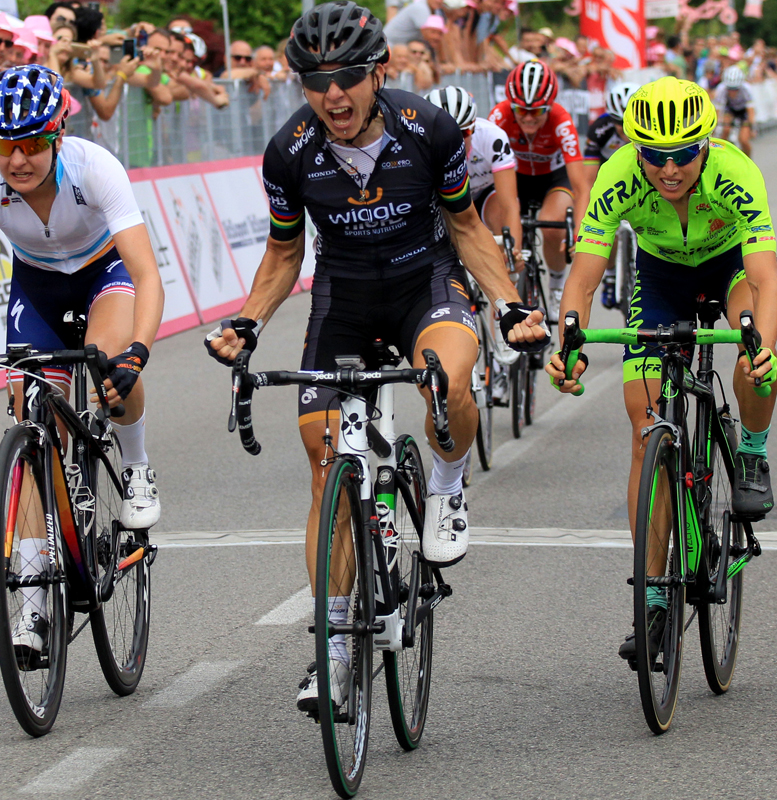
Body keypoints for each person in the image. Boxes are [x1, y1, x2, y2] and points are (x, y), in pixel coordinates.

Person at [203, 2, 547, 712]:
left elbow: (467, 226)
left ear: (378, 72)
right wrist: (247, 322)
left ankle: (448, 484)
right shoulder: (289, 151)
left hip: (426, 280)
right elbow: (282, 253)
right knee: (324, 459)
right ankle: (330, 647)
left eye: (350, 77)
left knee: (449, 380)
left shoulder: (430, 130)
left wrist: (511, 305)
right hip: (345, 295)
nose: (334, 95)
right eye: (316, 79)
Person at [0, 64, 165, 657]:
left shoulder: (95, 167)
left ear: (57, 134)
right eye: (5, 145)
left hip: (102, 274)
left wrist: (137, 353)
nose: (18, 159)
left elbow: (145, 274)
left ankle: (134, 463)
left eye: (32, 143)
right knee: (29, 424)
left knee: (110, 365)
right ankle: (32, 613)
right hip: (36, 287)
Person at [545, 77, 777, 661]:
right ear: (636, 149)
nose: (669, 170)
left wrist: (763, 348)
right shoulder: (619, 174)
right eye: (655, 156)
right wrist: (568, 342)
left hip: (727, 269)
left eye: (682, 156)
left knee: (757, 356)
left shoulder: (736, 171)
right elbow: (583, 274)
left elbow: (765, 278)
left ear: (706, 145)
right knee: (645, 428)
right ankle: (653, 601)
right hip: (661, 282)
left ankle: (751, 451)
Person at [425, 84, 524, 402]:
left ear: (473, 128)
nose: (458, 142)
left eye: (464, 134)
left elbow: (510, 203)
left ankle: (507, 309)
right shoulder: (418, 145)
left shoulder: (491, 136)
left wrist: (512, 251)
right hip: (448, 202)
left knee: (497, 218)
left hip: (484, 196)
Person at [489, 59, 591, 322]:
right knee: (504, 230)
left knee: (553, 224)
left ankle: (556, 285)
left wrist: (578, 233)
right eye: (521, 111)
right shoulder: (499, 116)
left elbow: (580, 187)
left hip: (552, 179)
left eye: (538, 111)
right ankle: (509, 287)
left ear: (550, 106)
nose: (529, 117)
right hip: (515, 177)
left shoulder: (561, 121)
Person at [580, 81, 637, 309]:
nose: (623, 129)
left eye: (629, 123)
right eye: (618, 123)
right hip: (608, 177)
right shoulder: (600, 129)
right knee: (609, 229)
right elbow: (588, 180)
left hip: (638, 177)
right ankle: (611, 275)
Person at [714, 66, 755, 158]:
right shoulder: (721, 89)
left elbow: (751, 111)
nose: (732, 92)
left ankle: (748, 161)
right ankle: (722, 156)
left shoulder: (747, 88)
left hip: (743, 112)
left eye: (735, 89)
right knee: (725, 130)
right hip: (730, 110)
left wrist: (752, 127)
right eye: (730, 89)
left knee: (743, 140)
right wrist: (714, 128)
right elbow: (717, 110)